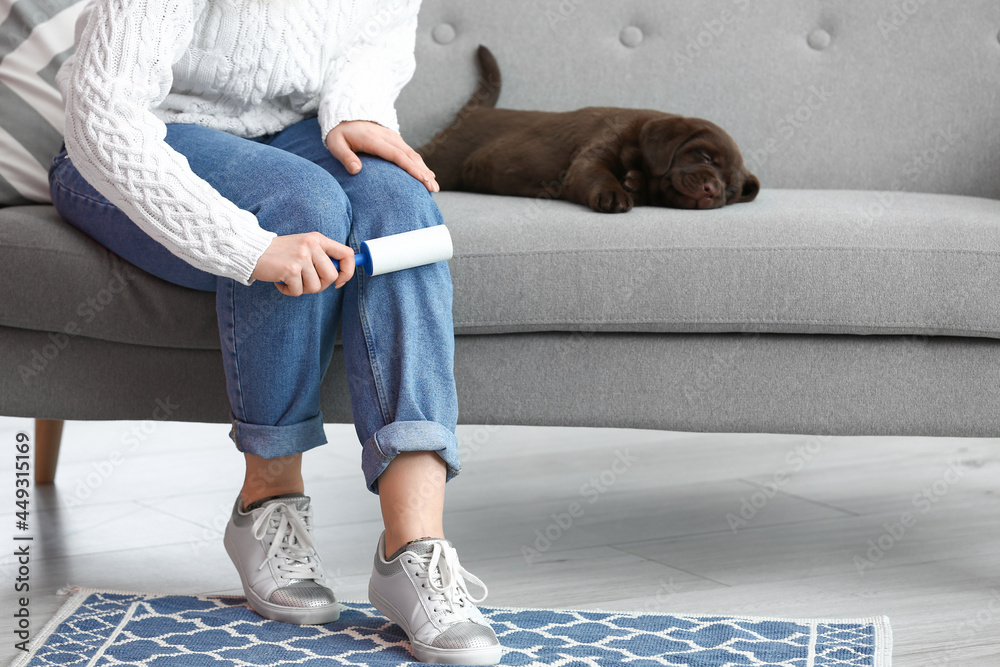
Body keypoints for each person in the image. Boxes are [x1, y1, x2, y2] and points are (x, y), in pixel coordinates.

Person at [49, 0, 502, 663]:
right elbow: (101, 117)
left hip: (290, 131)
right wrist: (244, 244)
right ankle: (268, 503)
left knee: (404, 207)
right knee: (301, 205)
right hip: (142, 136)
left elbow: (376, 35)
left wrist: (355, 110)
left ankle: (414, 550)